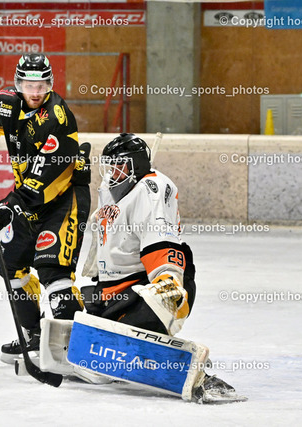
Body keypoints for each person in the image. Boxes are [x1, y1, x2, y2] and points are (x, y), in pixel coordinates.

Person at [76, 133, 243, 403]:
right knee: (89, 333)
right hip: (114, 292)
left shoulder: (151, 190)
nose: (113, 174)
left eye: (120, 167)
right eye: (110, 167)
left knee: (162, 300)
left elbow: (160, 240)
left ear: (137, 167)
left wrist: (167, 279)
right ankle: (127, 341)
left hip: (142, 288)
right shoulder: (109, 190)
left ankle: (187, 368)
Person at [0, 53, 91, 361]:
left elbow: (41, 181)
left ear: (50, 85)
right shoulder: (7, 102)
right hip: (26, 199)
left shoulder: (57, 119)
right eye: (28, 85)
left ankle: (79, 346)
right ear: (18, 84)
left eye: (41, 86)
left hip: (62, 199)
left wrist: (9, 206)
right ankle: (33, 334)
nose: (35, 92)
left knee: (53, 270)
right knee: (10, 264)